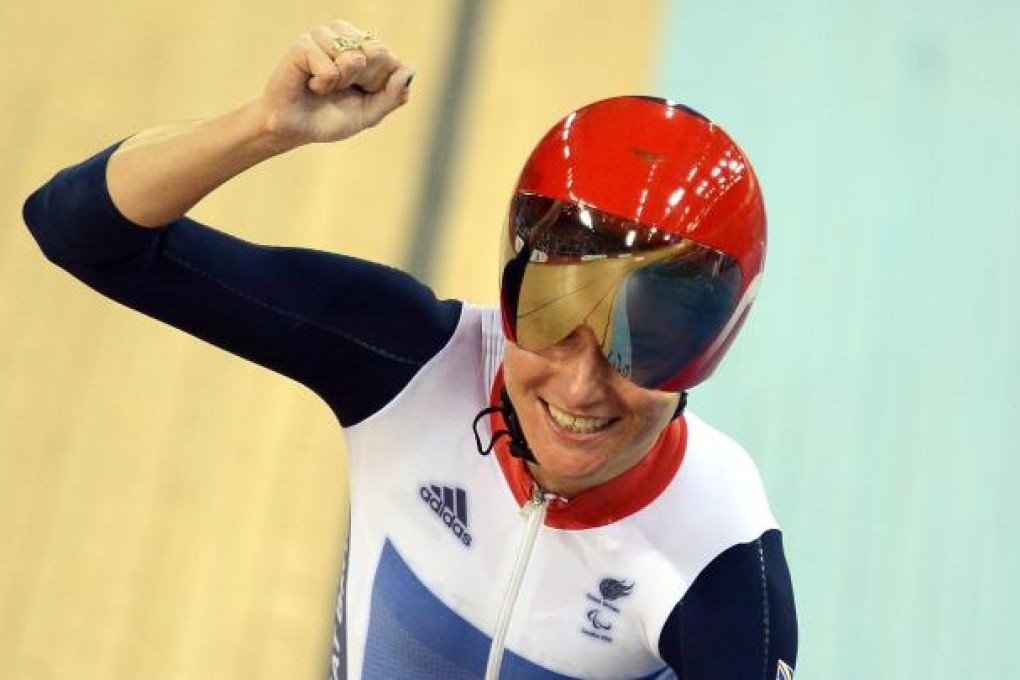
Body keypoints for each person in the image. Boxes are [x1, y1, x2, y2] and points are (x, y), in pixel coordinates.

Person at [23, 19, 797, 680]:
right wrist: (263, 125)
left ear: (709, 354)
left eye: (644, 350)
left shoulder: (720, 560)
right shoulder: (405, 364)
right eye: (553, 320)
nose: (581, 385)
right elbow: (80, 231)